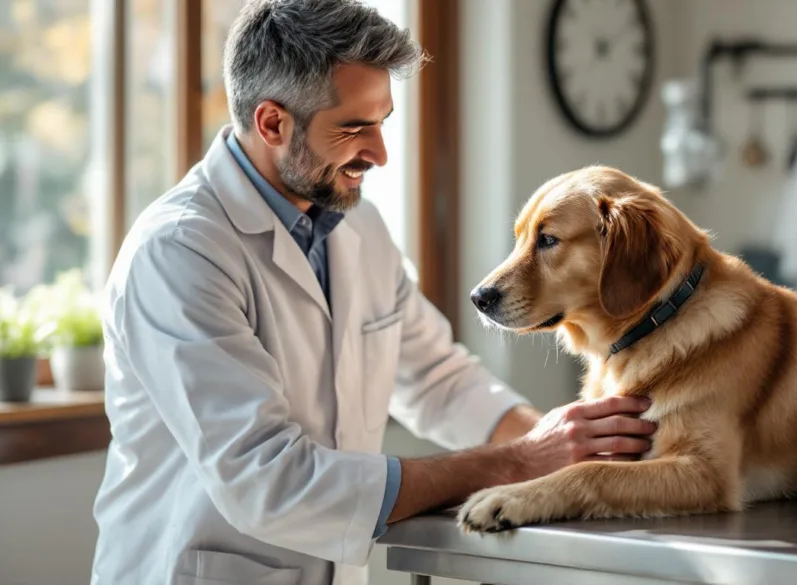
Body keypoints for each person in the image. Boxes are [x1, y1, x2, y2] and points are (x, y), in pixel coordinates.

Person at [89, 1, 657, 584]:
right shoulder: (180, 251)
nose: (380, 153)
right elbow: (268, 480)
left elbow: (438, 380)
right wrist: (519, 460)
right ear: (272, 124)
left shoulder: (356, 225)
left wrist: (571, 449)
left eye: (382, 121)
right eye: (353, 127)